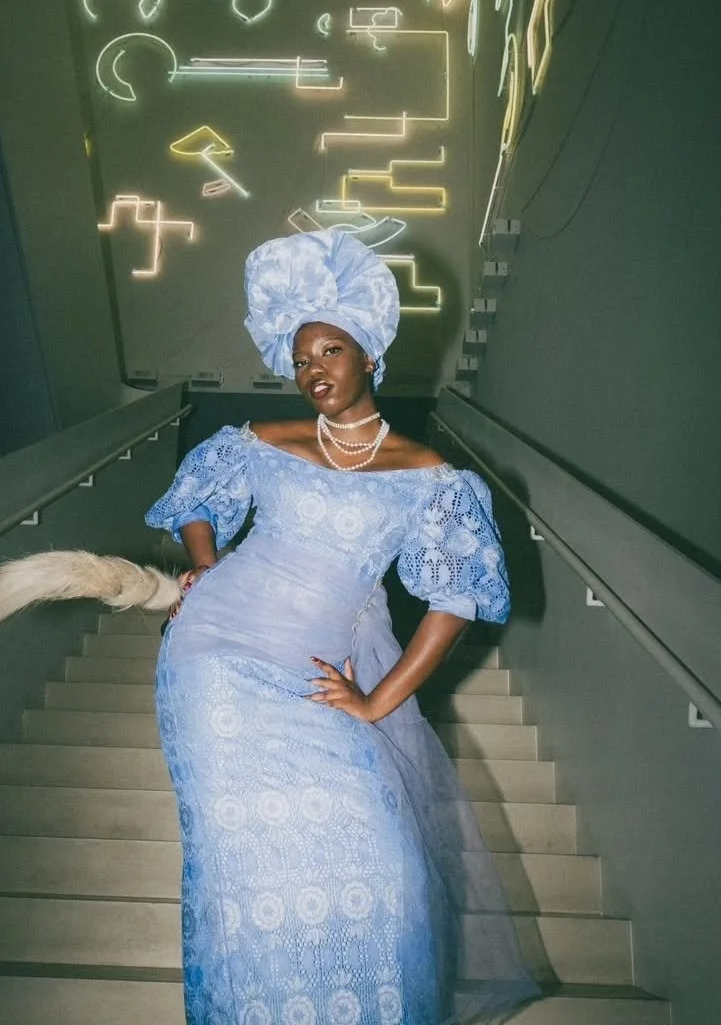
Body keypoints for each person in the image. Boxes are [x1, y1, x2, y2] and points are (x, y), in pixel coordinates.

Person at [145, 230, 539, 1025]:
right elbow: (197, 503)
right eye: (298, 358)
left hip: (314, 674)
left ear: (369, 355)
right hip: (213, 659)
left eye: (328, 350)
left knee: (387, 871)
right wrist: (208, 562)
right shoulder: (261, 442)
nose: (312, 370)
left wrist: (375, 701)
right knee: (240, 870)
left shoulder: (430, 476)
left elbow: (453, 601)